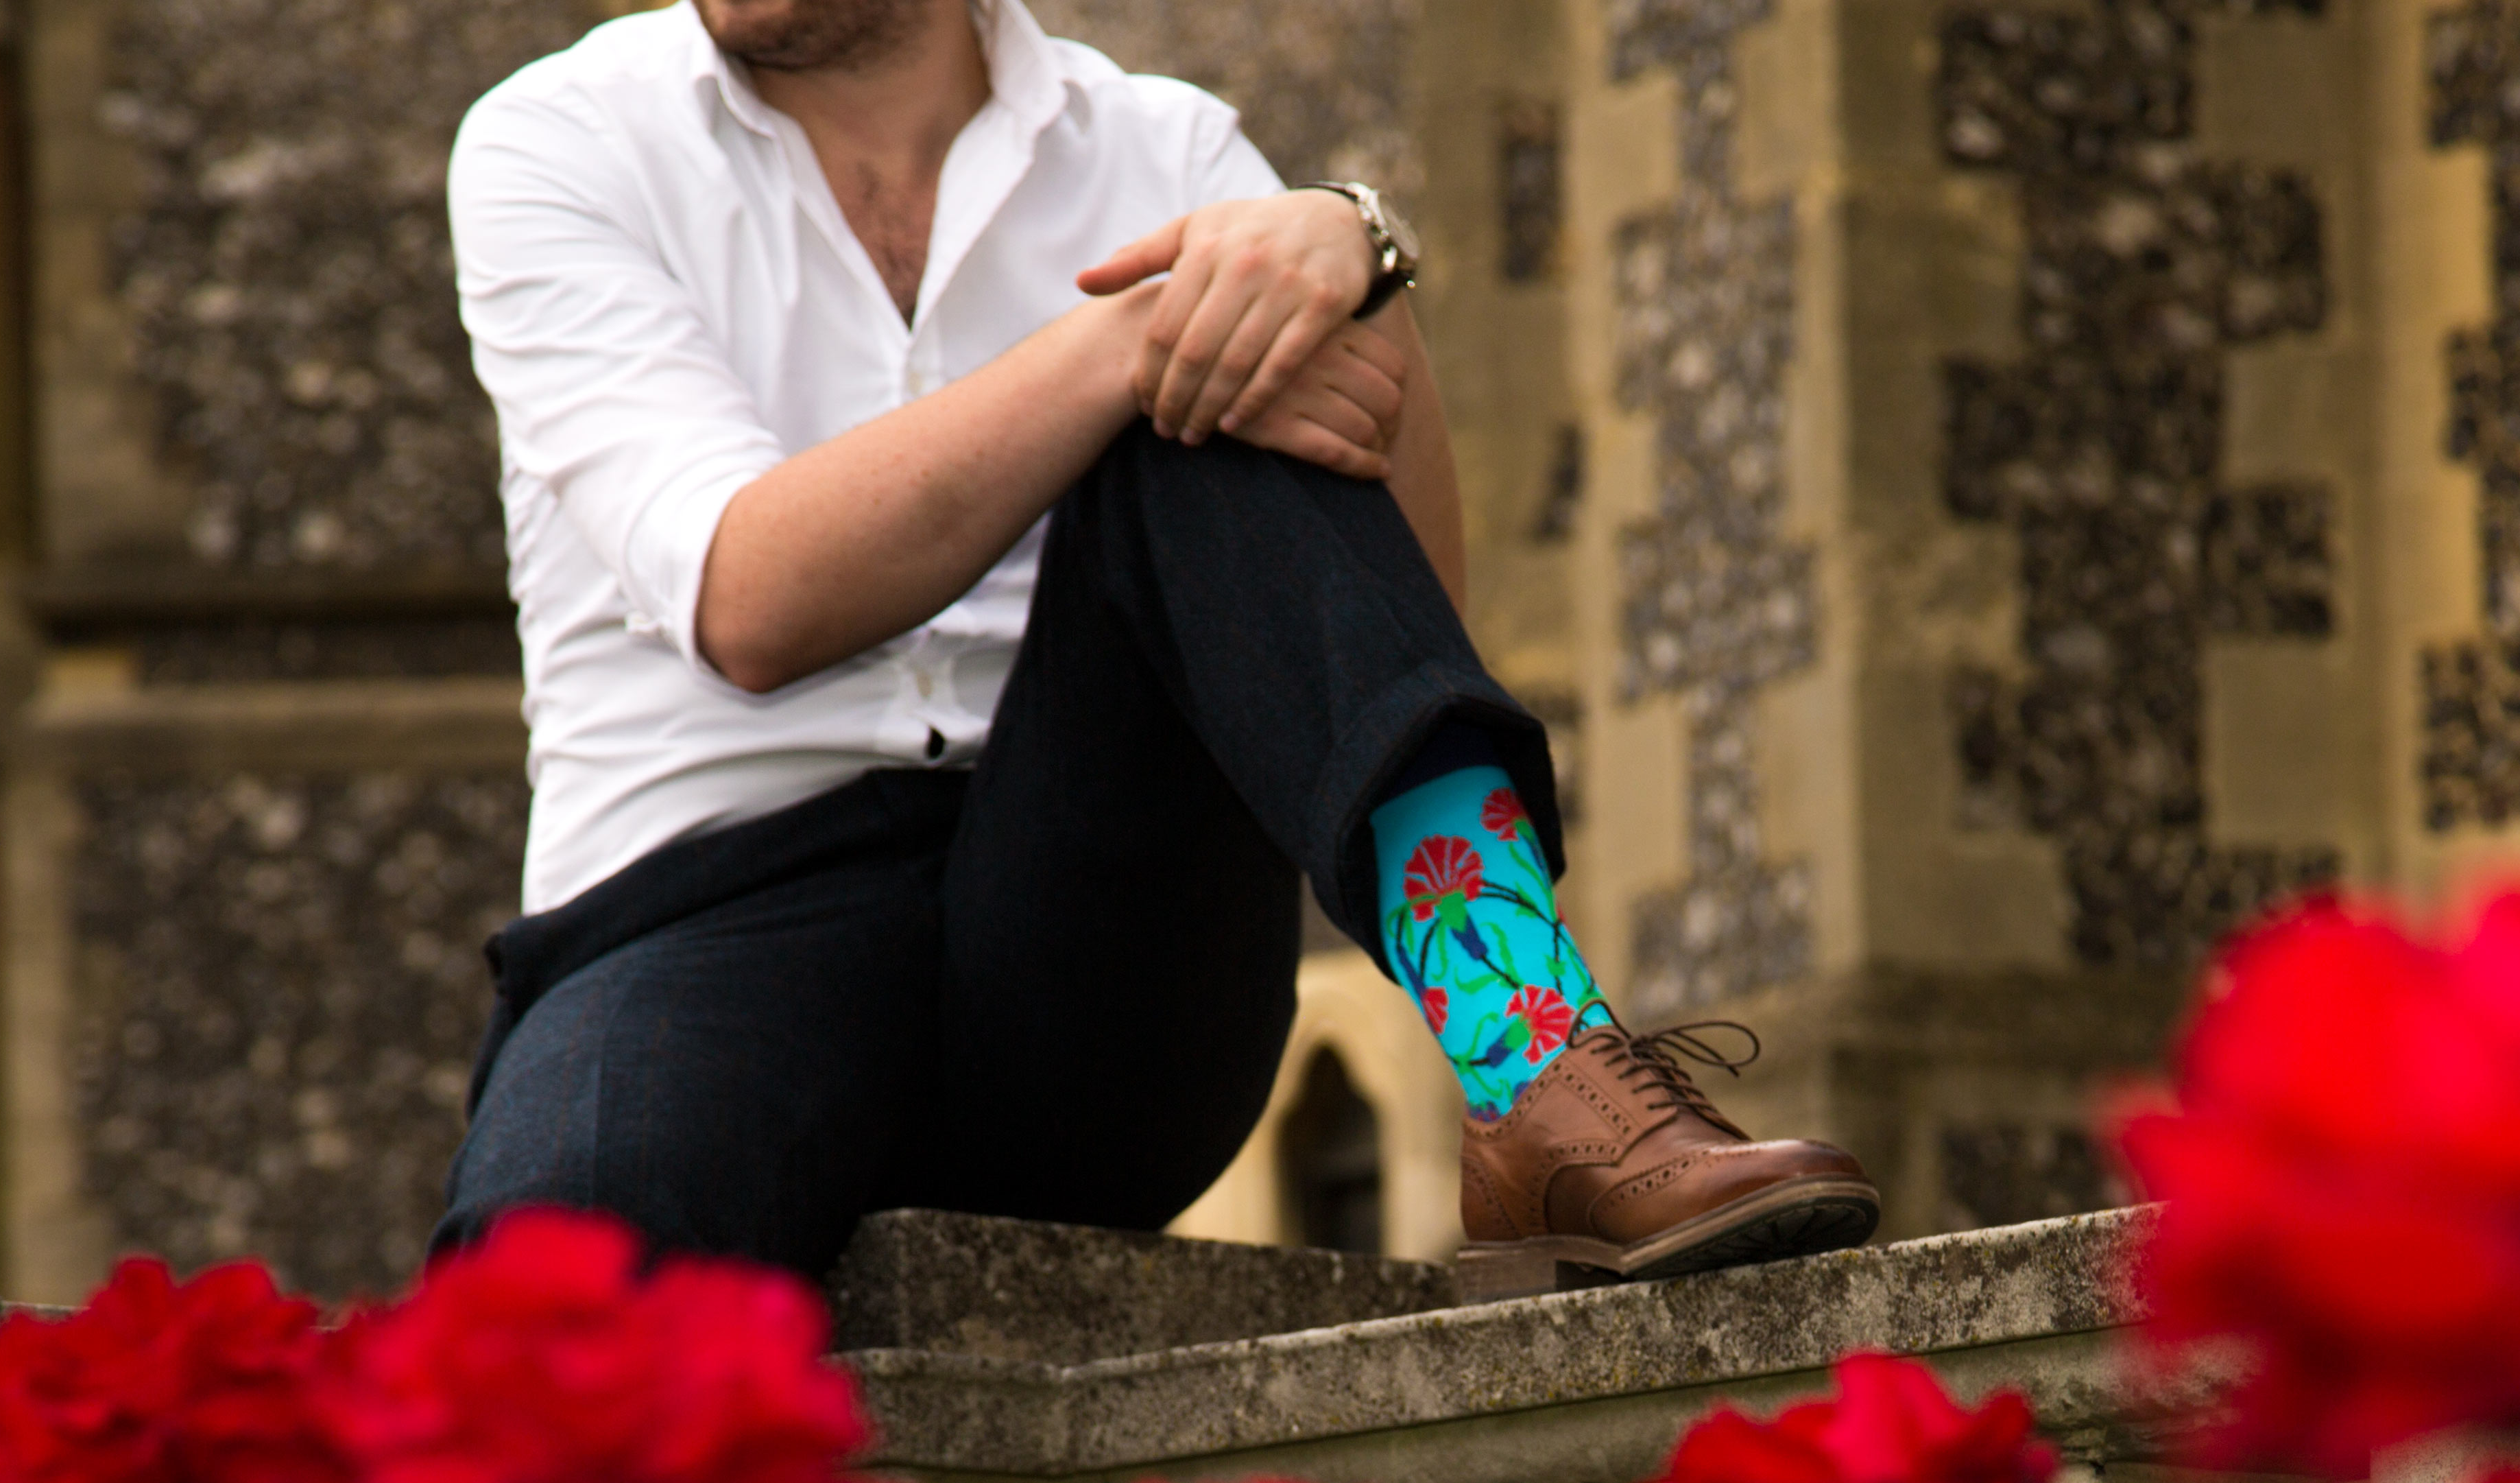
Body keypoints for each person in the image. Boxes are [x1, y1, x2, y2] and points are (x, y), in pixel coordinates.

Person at [434, 0, 1880, 1288]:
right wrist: (1129, 346)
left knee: (1219, 368)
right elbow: (748, 598)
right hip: (708, 921)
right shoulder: (562, 143)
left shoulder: (1170, 152)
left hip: (1107, 924)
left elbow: (1385, 621)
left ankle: (1538, 1063)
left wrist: (1356, 261)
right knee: (540, 1314)